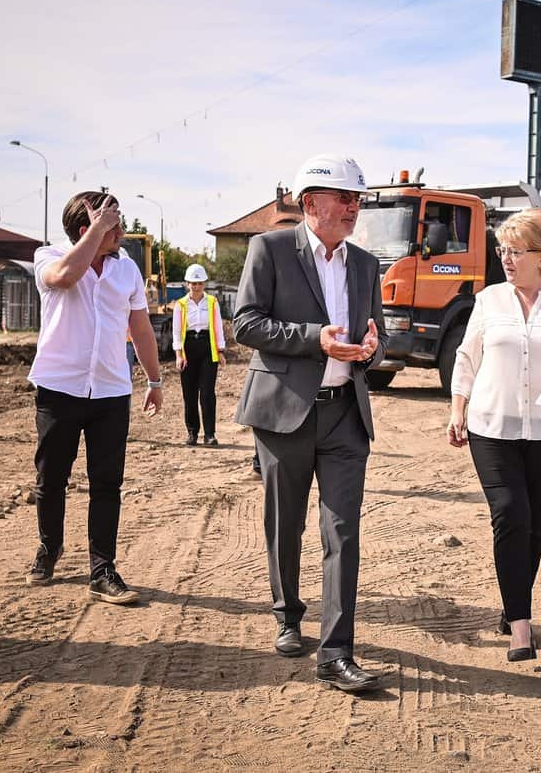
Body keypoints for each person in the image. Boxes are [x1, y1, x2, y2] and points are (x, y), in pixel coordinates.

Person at [233, 154, 387, 694]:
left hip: (346, 413)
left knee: (342, 530)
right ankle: (287, 614)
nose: (353, 207)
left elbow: (378, 334)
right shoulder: (270, 249)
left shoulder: (367, 264)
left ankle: (337, 651)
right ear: (309, 203)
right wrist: (314, 337)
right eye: (344, 197)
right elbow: (246, 323)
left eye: (357, 199)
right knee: (286, 522)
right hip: (284, 411)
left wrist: (370, 350)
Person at [447, 208, 541, 662]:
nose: (506, 259)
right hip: (491, 428)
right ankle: (521, 626)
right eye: (503, 250)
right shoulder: (489, 300)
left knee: (534, 527)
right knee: (510, 514)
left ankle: (512, 604)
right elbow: (466, 358)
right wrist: (458, 408)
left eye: (515, 251)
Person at [25, 192, 164, 605]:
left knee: (107, 483)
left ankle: (102, 570)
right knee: (51, 479)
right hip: (59, 388)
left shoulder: (127, 271)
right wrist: (98, 230)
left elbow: (139, 328)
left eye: (117, 221)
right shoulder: (49, 256)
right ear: (86, 229)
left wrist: (154, 381)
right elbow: (65, 278)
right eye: (111, 223)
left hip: (110, 390)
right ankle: (49, 549)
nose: (120, 230)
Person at [173, 263, 227, 446]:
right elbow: (176, 331)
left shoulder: (212, 302)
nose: (196, 287)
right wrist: (179, 355)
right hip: (188, 347)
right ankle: (192, 433)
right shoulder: (180, 305)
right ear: (187, 284)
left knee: (207, 393)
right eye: (193, 283)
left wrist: (220, 351)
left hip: (207, 348)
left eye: (200, 283)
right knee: (189, 394)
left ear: (204, 284)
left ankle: (210, 434)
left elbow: (218, 327)